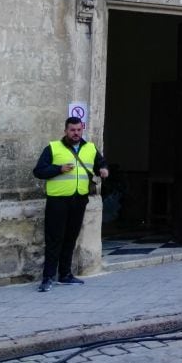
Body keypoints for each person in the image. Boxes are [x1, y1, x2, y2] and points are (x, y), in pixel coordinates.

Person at [32, 116, 108, 292]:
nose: (76, 133)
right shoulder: (53, 148)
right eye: (72, 130)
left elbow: (100, 163)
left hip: (79, 199)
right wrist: (58, 169)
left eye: (79, 130)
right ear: (66, 131)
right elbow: (39, 171)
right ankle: (48, 277)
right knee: (54, 239)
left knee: (70, 238)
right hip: (58, 201)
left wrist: (104, 170)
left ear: (83, 130)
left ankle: (65, 274)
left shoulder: (90, 148)